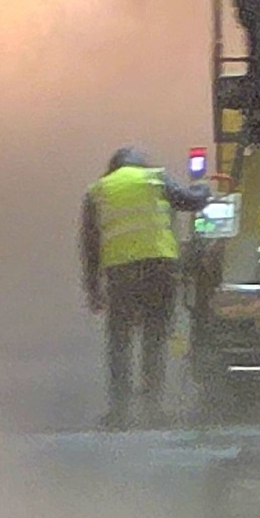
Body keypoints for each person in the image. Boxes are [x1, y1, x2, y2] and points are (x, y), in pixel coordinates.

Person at [80, 146, 209, 429]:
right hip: (159, 269)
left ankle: (120, 413)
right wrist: (203, 187)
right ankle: (153, 411)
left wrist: (93, 289)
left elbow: (89, 246)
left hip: (120, 274)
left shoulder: (97, 191)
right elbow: (192, 202)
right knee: (155, 339)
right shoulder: (155, 179)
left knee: (120, 343)